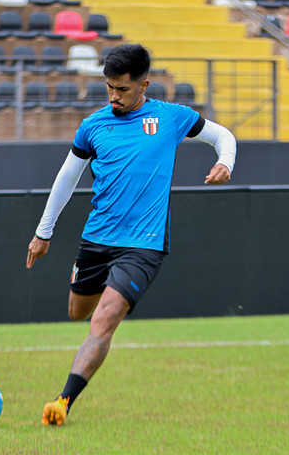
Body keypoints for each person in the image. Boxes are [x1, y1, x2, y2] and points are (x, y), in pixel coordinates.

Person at [26, 43, 236, 426]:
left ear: (144, 85)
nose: (114, 97)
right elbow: (66, 178)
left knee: (103, 320)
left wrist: (224, 162)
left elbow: (223, 136)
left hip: (144, 245)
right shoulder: (94, 125)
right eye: (109, 87)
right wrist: (44, 233)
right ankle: (98, 320)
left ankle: (63, 401)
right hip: (97, 238)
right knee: (79, 312)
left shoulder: (172, 118)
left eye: (122, 89)